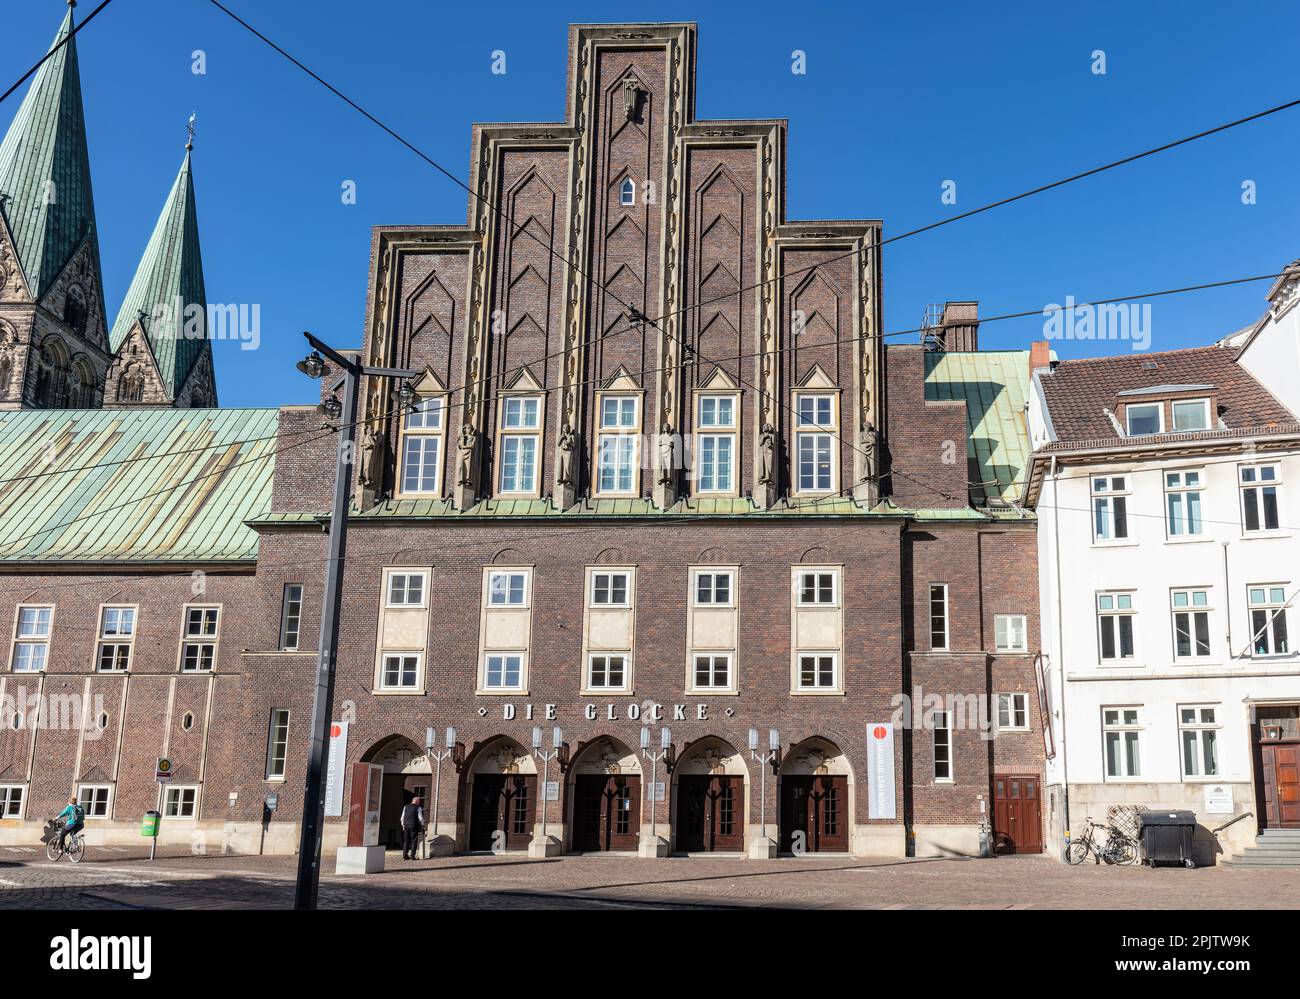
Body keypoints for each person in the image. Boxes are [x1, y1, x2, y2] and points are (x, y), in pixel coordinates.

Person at [400, 796, 425, 861]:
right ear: (416, 801)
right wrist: (423, 824)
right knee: (414, 840)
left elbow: (402, 817)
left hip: (406, 825)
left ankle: (405, 855)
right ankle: (412, 856)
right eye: (419, 801)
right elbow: (420, 817)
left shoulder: (406, 806)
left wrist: (403, 825)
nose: (419, 803)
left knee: (406, 841)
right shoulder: (418, 807)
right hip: (413, 825)